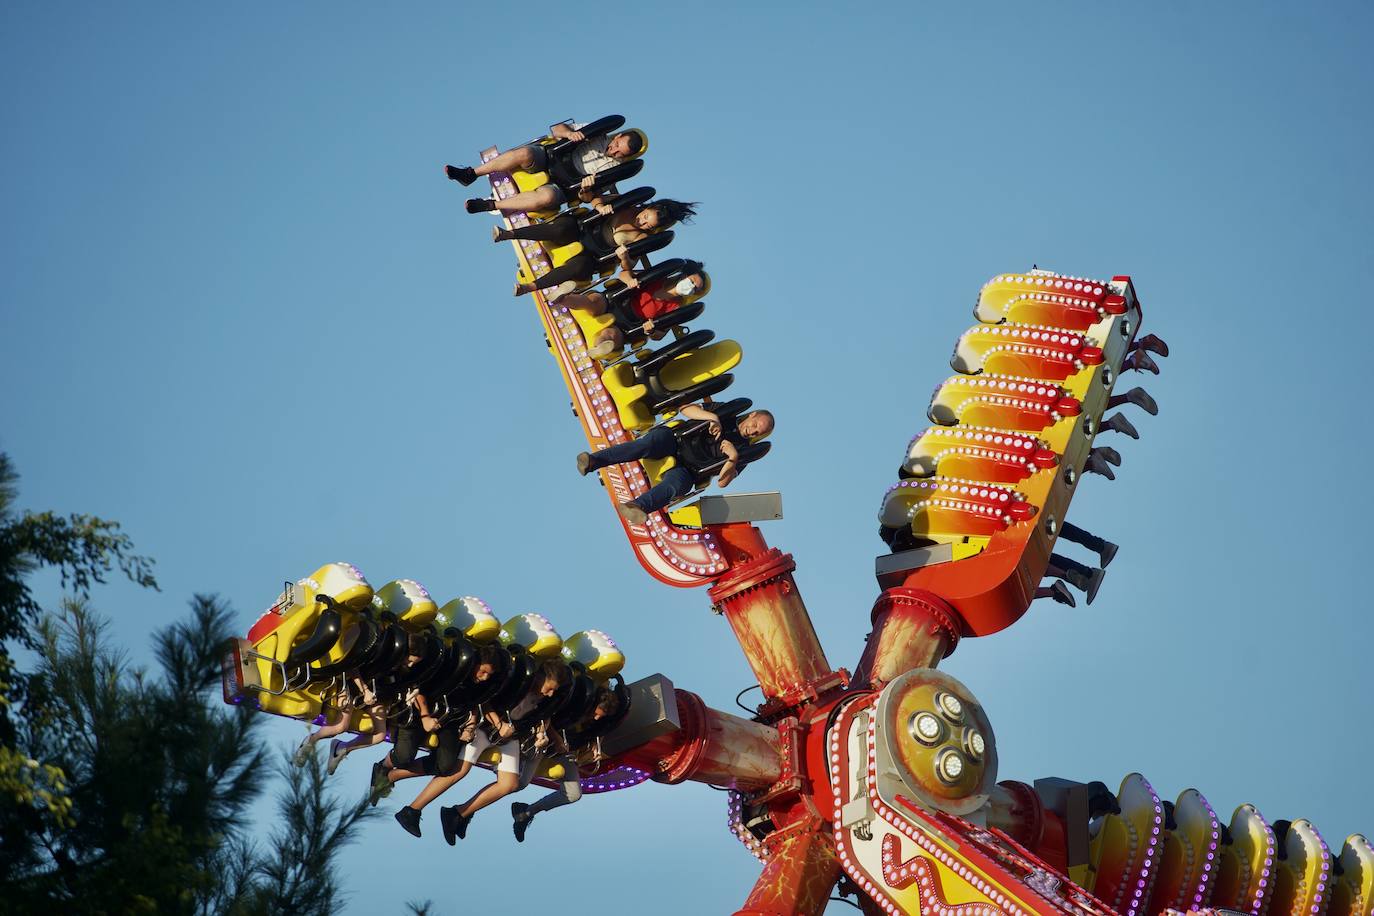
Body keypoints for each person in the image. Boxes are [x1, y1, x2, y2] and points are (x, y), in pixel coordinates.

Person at [435, 660, 572, 844]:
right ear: (540, 678)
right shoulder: (519, 684)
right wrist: (498, 724)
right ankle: (430, 810)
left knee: (511, 784)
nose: (550, 694)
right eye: (549, 688)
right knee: (461, 769)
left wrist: (542, 733)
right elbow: (486, 700)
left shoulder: (544, 699)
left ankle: (459, 813)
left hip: (510, 736)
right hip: (488, 727)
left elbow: (543, 716)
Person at [576, 403, 776, 522]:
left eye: (760, 432)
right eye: (756, 424)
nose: (754, 430)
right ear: (752, 415)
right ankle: (593, 460)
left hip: (688, 470)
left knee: (676, 485)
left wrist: (732, 459)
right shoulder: (726, 412)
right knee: (647, 444)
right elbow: (685, 409)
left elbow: (722, 482)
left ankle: (635, 507)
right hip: (675, 441)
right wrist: (711, 417)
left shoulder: (743, 452)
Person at [372, 642, 503, 824]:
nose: (485, 677)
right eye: (483, 671)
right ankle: (383, 767)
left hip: (448, 719)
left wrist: (470, 726)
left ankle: (390, 778)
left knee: (446, 766)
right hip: (420, 712)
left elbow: (474, 703)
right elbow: (420, 689)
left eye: (489, 674)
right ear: (474, 664)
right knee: (403, 756)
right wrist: (425, 717)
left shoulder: (480, 684)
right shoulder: (451, 670)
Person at [498, 198, 698, 297]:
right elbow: (593, 198)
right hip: (583, 230)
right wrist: (600, 205)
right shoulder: (629, 204)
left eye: (648, 225)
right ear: (647, 207)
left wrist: (624, 257)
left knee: (579, 267)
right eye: (645, 217)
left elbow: (627, 268)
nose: (642, 222)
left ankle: (530, 287)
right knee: (561, 229)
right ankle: (510, 234)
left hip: (594, 255)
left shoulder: (642, 238)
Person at [447, 118, 647, 215]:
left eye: (621, 153)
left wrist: (587, 189)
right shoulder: (599, 134)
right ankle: (471, 174)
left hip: (566, 185)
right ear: (618, 136)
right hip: (554, 158)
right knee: (525, 153)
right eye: (617, 145)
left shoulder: (616, 169)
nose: (614, 151)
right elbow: (556, 128)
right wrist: (570, 134)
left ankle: (490, 205)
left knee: (548, 197)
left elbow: (589, 198)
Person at [510, 686, 623, 842]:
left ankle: (526, 813)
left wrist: (596, 745)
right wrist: (557, 740)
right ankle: (470, 808)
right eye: (596, 714)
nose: (596, 718)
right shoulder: (575, 705)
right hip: (543, 742)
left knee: (574, 794)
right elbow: (546, 719)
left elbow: (598, 731)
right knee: (521, 783)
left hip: (562, 751)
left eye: (600, 717)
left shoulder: (597, 722)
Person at [558, 263, 709, 358]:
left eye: (695, 289)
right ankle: (562, 297)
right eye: (691, 282)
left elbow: (659, 335)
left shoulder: (676, 307)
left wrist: (651, 331)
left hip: (629, 326)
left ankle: (598, 348)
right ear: (683, 275)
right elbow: (623, 274)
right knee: (594, 302)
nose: (691, 288)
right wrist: (630, 280)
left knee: (610, 335)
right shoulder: (658, 278)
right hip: (618, 302)